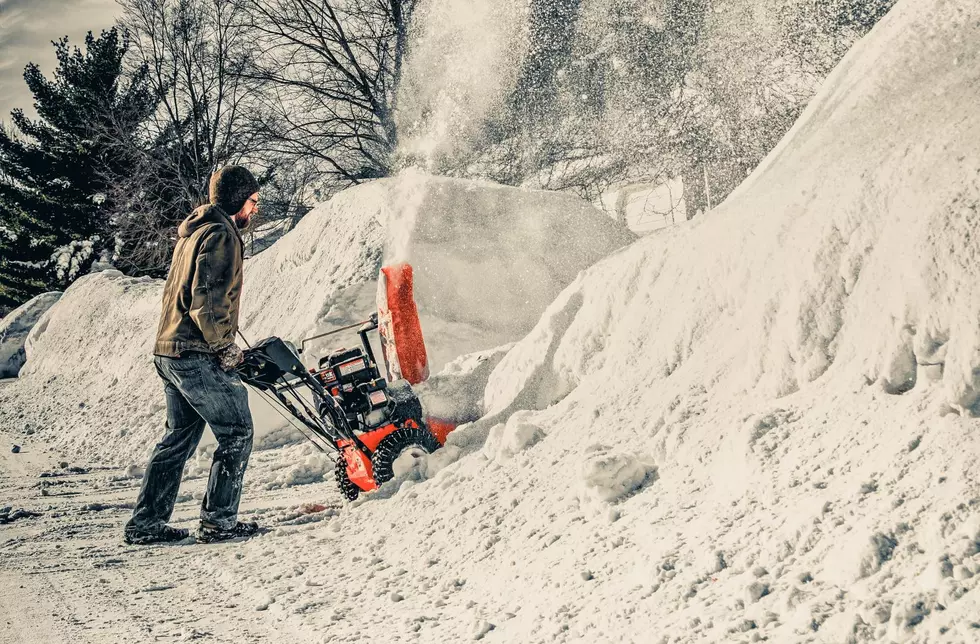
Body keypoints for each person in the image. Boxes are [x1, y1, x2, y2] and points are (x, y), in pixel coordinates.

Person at [124, 166, 260, 545]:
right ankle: (219, 522)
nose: (254, 208)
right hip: (193, 353)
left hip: (169, 348)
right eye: (252, 201)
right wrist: (224, 347)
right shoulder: (221, 235)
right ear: (236, 200)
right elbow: (208, 300)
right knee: (237, 431)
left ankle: (145, 525)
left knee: (178, 438)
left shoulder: (194, 232)